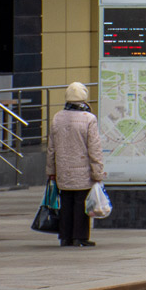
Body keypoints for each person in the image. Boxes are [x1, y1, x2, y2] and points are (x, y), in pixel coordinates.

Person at [45, 82, 106, 248]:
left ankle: (65, 237)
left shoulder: (58, 117)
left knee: (65, 202)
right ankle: (80, 237)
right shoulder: (89, 119)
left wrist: (51, 170)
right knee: (82, 204)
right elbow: (94, 148)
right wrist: (98, 172)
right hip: (83, 170)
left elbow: (51, 148)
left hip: (63, 169)